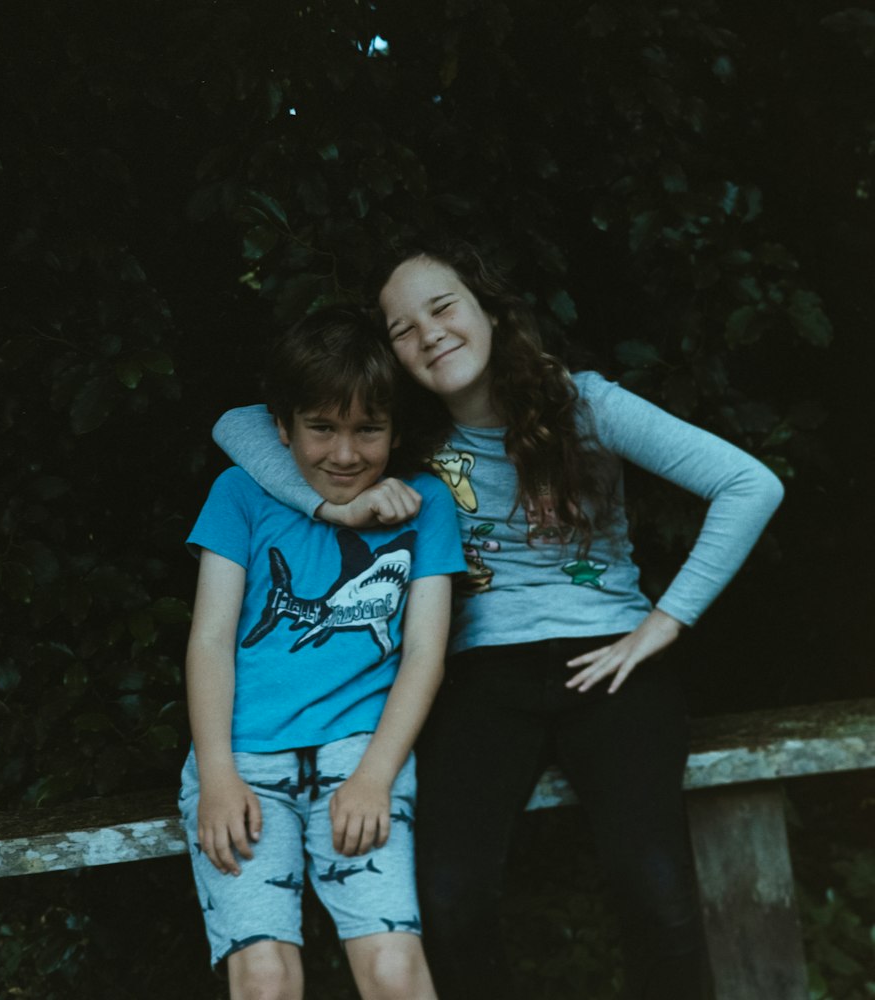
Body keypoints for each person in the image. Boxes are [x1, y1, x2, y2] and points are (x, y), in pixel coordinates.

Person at [212, 242, 785, 1000]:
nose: (429, 335)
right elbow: (240, 426)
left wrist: (665, 621)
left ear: (487, 309)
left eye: (443, 308)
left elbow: (749, 483)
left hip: (609, 660)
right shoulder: (405, 428)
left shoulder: (584, 404)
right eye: (402, 329)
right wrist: (331, 504)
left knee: (655, 890)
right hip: (482, 673)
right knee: (449, 895)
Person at [178, 306, 465, 1000]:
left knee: (394, 971)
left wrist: (375, 775)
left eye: (368, 429)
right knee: (266, 978)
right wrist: (216, 771)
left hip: (360, 758)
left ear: (395, 430)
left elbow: (426, 651)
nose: (344, 453)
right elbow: (211, 638)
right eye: (322, 428)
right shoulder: (240, 493)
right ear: (282, 428)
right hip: (243, 761)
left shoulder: (426, 504)